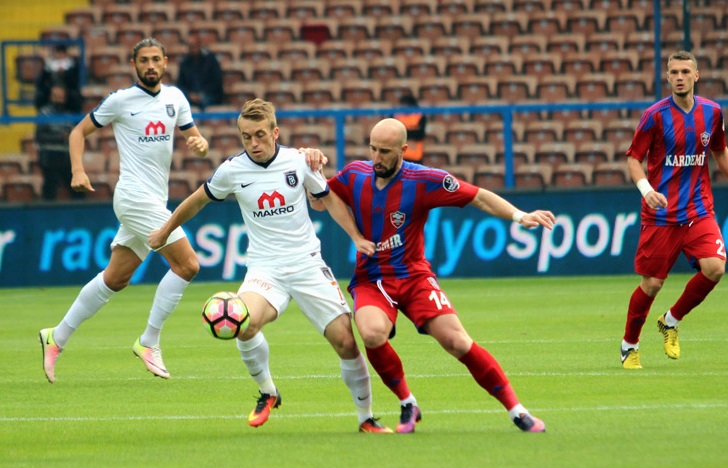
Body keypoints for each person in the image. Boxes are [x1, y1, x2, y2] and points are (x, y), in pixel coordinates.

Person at [148, 98, 392, 434]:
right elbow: (197, 200)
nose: (254, 143)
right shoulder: (232, 170)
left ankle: (366, 417)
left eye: (260, 135)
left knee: (346, 341)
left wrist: (355, 237)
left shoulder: (298, 162)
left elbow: (329, 199)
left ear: (275, 133)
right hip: (265, 270)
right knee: (241, 323)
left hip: (307, 265)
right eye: (246, 137)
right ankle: (268, 392)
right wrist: (165, 230)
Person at [312, 118, 556, 433]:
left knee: (457, 342)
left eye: (385, 151)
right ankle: (407, 403)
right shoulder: (355, 174)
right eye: (372, 149)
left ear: (403, 150)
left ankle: (517, 410)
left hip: (413, 276)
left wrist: (519, 215)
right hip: (372, 278)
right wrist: (311, 170)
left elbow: (479, 196)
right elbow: (320, 202)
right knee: (372, 333)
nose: (376, 158)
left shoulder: (424, 180)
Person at [38, 38, 210, 383]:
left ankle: (56, 336)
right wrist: (77, 169)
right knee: (188, 264)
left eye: (156, 59)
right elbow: (78, 132)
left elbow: (195, 138)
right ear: (134, 64)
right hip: (132, 197)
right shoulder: (120, 100)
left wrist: (201, 144)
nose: (150, 65)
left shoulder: (175, 99)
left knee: (115, 278)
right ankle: (149, 342)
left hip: (153, 200)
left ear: (166, 61)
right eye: (143, 60)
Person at [620, 50, 728, 369]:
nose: (679, 77)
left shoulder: (712, 112)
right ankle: (629, 345)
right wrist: (646, 189)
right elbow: (633, 158)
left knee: (715, 268)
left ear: (696, 75)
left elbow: (721, 153)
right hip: (660, 215)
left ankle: (670, 320)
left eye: (685, 71)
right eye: (673, 72)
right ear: (667, 77)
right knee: (652, 284)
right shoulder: (654, 116)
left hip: (698, 211)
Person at [35, 84, 84, 201]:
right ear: (51, 97)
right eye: (56, 97)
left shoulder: (68, 114)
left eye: (61, 97)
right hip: (49, 157)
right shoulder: (44, 113)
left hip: (66, 156)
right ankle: (46, 215)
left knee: (76, 189)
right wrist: (60, 137)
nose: (59, 100)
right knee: (49, 189)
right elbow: (39, 136)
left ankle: (80, 215)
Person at [176, 34, 224, 111]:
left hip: (209, 94)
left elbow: (217, 81)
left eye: (195, 45)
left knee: (204, 101)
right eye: (191, 46)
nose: (193, 48)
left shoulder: (210, 60)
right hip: (191, 96)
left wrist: (202, 94)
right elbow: (180, 84)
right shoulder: (185, 63)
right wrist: (190, 94)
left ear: (200, 44)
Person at [34, 44, 82, 114]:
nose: (59, 55)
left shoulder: (73, 66)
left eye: (61, 53)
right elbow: (41, 82)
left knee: (75, 96)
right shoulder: (48, 66)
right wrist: (47, 70)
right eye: (57, 53)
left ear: (65, 54)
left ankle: (72, 114)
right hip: (51, 89)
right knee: (40, 94)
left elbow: (75, 82)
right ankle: (44, 113)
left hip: (68, 90)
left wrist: (65, 74)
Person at [392, 94, 426, 164]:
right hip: (398, 157)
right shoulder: (395, 116)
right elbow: (393, 134)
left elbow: (420, 134)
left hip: (415, 156)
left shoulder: (419, 116)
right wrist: (412, 132)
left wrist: (402, 132)